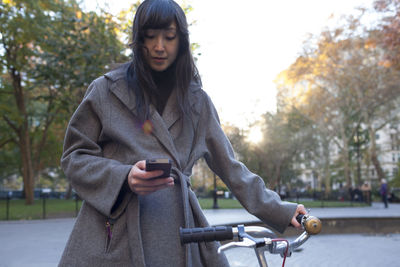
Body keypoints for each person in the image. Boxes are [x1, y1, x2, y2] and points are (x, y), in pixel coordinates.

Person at [59, 0, 306, 266]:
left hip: (180, 232)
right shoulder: (105, 91)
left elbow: (232, 168)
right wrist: (124, 178)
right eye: (150, 36)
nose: (159, 46)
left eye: (169, 36)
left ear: (182, 40)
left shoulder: (197, 102)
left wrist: (280, 210)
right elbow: (74, 156)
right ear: (137, 40)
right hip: (118, 231)